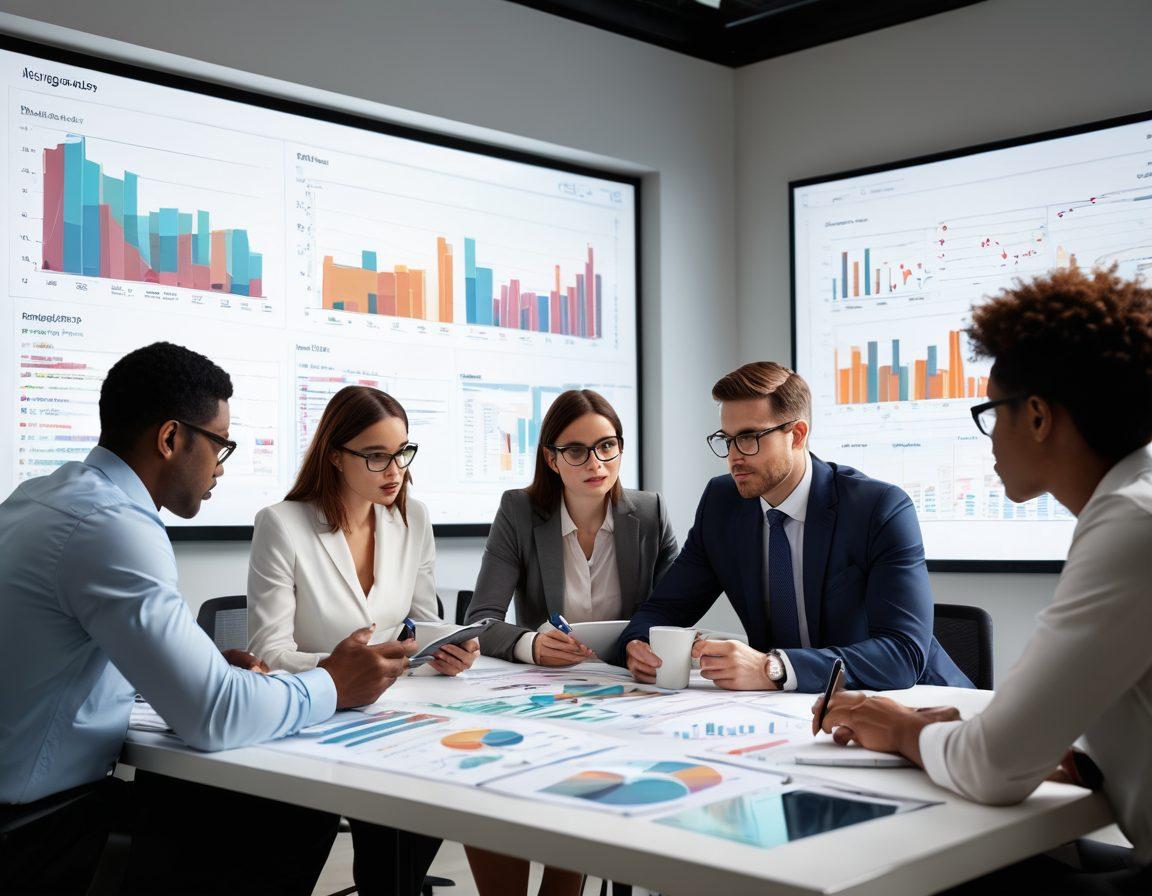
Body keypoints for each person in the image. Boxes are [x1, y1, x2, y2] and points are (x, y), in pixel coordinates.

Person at [0, 343, 406, 896]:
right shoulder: (113, 526)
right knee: (294, 807)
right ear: (170, 439)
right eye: (220, 445)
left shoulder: (41, 497)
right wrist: (334, 683)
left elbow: (61, 652)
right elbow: (213, 714)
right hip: (40, 831)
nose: (219, 465)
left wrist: (198, 661)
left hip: (35, 803)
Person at [814, 266, 1152, 894]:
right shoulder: (1136, 498)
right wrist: (979, 737)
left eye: (991, 413)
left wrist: (899, 728)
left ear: (1039, 417)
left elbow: (993, 768)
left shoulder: (1130, 524)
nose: (990, 437)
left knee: (893, 872)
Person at [616, 361, 971, 693]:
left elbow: (902, 654)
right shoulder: (722, 503)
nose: (734, 456)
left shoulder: (878, 508)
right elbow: (663, 609)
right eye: (727, 439)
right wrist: (637, 645)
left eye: (750, 438)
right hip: (794, 713)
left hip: (918, 707)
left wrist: (776, 668)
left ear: (797, 434)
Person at [247, 384, 478, 895]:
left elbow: (421, 620)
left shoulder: (412, 518)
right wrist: (345, 668)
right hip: (312, 722)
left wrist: (446, 647)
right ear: (335, 456)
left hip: (395, 720)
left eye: (402, 453)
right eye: (376, 457)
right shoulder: (282, 526)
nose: (395, 470)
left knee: (418, 827)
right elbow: (267, 652)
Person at [463, 388, 678, 896]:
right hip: (542, 694)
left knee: (592, 787)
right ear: (551, 458)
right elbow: (482, 619)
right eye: (576, 450)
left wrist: (644, 647)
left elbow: (674, 612)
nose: (595, 462)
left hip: (626, 700)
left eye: (607, 446)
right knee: (492, 785)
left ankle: (565, 885)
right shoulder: (519, 512)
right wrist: (529, 645)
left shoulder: (648, 515)